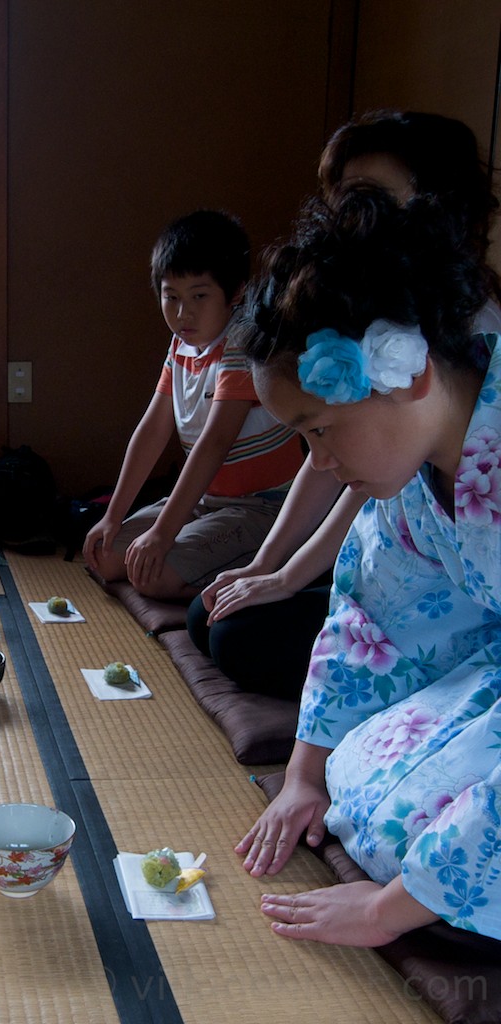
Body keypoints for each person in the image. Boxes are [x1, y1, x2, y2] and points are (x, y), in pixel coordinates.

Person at [234, 186, 501, 947]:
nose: (318, 462)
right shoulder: (419, 474)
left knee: (411, 847)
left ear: (406, 373)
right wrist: (301, 779)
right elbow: (368, 617)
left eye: (320, 431)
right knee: (356, 784)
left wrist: (387, 913)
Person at [188, 109, 501, 699]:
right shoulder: (350, 337)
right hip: (397, 567)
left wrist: (288, 574)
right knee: (213, 617)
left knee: (241, 635)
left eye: (375, 198)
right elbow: (332, 455)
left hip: (453, 614)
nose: (359, 221)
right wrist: (269, 566)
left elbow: (358, 463)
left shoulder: (447, 333)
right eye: (344, 201)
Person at [82, 210, 304, 600]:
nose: (183, 313)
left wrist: (163, 533)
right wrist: (112, 516)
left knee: (151, 576)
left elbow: (214, 443)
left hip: (258, 508)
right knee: (107, 555)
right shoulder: (181, 344)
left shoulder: (240, 341)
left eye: (199, 296)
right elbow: (152, 431)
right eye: (172, 297)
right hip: (205, 502)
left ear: (234, 293)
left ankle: (268, 562)